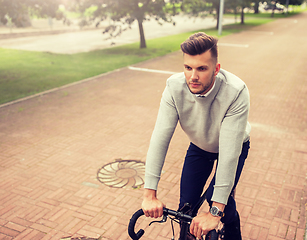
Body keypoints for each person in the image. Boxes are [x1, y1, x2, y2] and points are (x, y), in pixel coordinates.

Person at [141, 32, 251, 240]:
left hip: (234, 147)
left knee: (217, 199)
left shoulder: (236, 91)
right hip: (200, 146)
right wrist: (149, 195)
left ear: (216, 69)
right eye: (188, 67)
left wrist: (215, 212)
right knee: (187, 203)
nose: (193, 76)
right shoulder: (174, 87)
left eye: (201, 68)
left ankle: (232, 225)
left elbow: (228, 155)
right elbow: (160, 139)